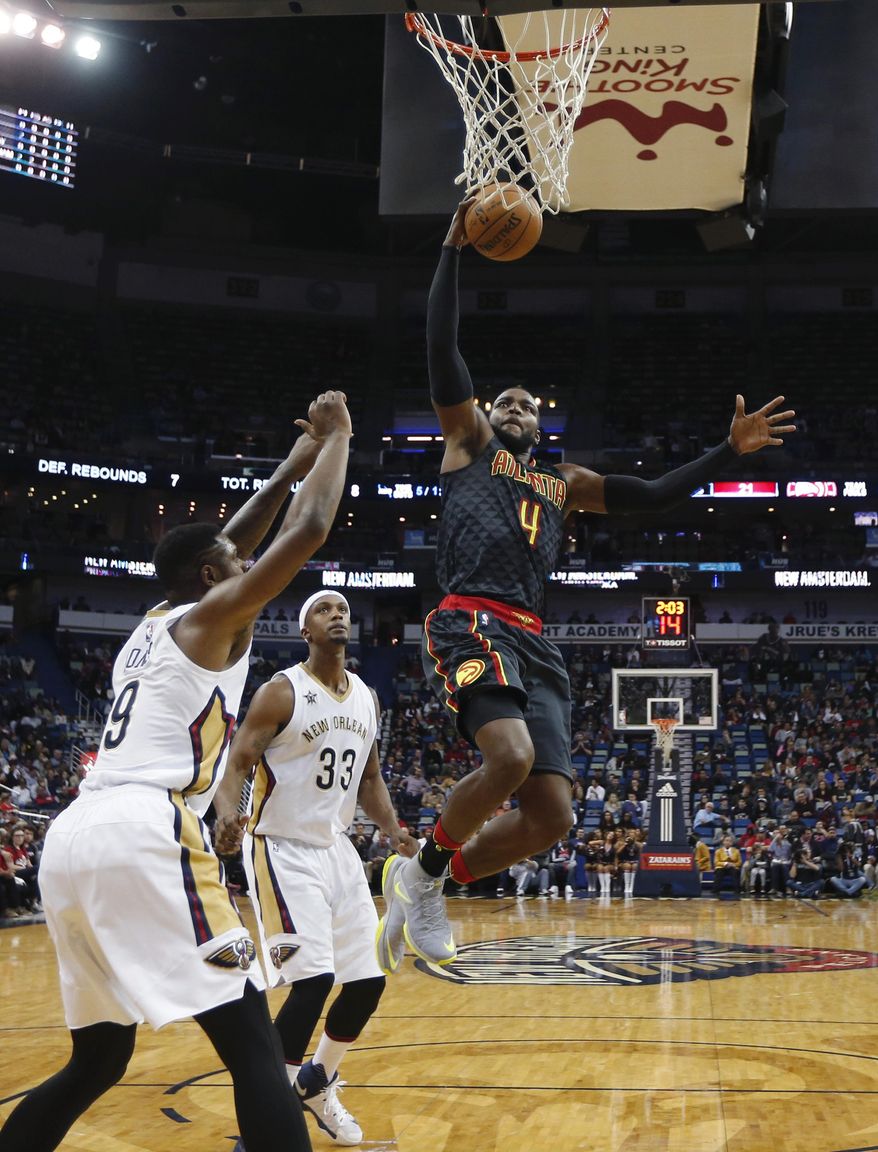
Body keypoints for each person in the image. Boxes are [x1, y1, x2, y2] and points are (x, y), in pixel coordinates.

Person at [376, 201, 796, 967]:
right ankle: (424, 875)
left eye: (526, 406)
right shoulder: (468, 445)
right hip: (470, 619)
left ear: (541, 426)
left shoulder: (564, 482)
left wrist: (726, 451)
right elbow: (441, 347)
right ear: (484, 414)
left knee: (552, 819)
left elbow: (656, 495)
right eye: (503, 401)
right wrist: (451, 250)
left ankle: (430, 881)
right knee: (507, 759)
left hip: (535, 641)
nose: (513, 409)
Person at [0, 392, 352, 1152]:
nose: (249, 567)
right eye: (237, 568)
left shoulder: (154, 623)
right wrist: (338, 441)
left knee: (98, 1058)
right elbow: (309, 531)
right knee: (253, 1045)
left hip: (74, 836)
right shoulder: (210, 618)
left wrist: (289, 466)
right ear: (211, 578)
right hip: (145, 828)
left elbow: (225, 541)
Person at [213, 590, 417, 1147]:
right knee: (312, 983)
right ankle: (267, 1121)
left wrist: (393, 829)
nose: (337, 615)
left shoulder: (367, 698)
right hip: (281, 848)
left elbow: (369, 779)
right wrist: (227, 813)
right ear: (305, 630)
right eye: (324, 610)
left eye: (343, 610)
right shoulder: (282, 691)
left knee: (368, 981)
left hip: (336, 849)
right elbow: (238, 762)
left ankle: (314, 1082)